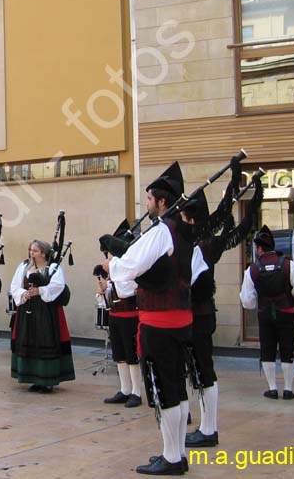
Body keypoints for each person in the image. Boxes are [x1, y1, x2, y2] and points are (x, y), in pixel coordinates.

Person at [108, 162, 195, 475]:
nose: (146, 205)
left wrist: (116, 261)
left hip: (159, 323)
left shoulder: (162, 231)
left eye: (148, 200)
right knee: (178, 388)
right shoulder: (185, 230)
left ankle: (171, 458)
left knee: (165, 390)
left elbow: (128, 266)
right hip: (182, 318)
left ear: (160, 202)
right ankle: (178, 453)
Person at [240, 225, 294, 400]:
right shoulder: (288, 265)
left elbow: (247, 300)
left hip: (264, 314)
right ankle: (287, 389)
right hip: (285, 312)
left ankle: (272, 389)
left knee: (267, 349)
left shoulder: (253, 269)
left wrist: (258, 302)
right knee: (287, 348)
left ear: (259, 248)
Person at [10, 239, 75, 393]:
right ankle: (34, 378)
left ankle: (48, 379)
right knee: (30, 340)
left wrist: (40, 291)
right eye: (30, 250)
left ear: (44, 253)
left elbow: (58, 286)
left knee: (45, 340)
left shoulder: (53, 267)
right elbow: (14, 285)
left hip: (46, 310)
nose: (31, 253)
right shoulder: (24, 266)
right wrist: (23, 293)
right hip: (28, 309)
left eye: (35, 251)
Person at [97, 222, 142, 408]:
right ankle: (124, 389)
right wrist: (104, 290)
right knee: (119, 354)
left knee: (131, 354)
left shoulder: (130, 266)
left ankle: (136, 392)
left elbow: (127, 290)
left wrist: (111, 281)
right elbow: (113, 293)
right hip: (115, 315)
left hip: (130, 315)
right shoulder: (116, 267)